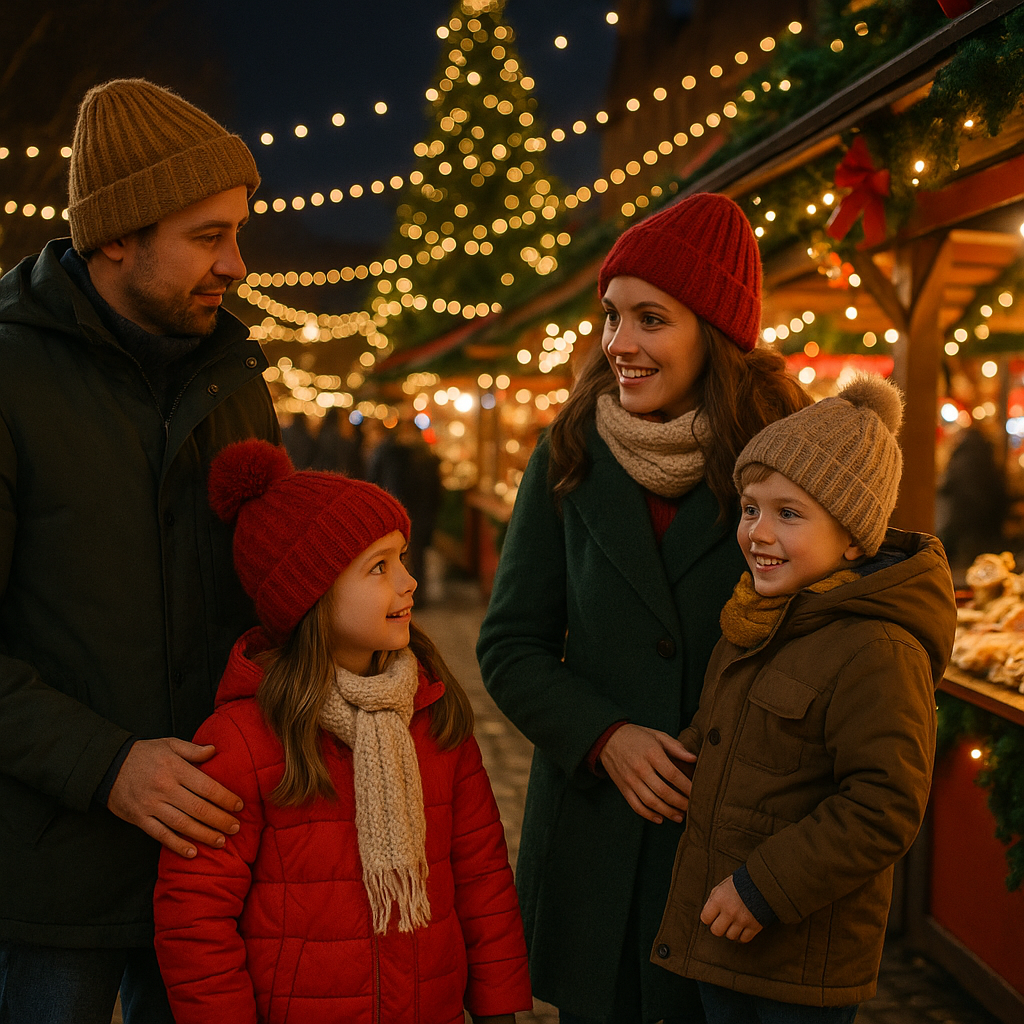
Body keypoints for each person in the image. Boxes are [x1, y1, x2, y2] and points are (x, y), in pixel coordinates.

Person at [476, 192, 810, 1024]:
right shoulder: (569, 455)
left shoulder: (791, 463)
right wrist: (603, 737)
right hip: (596, 846)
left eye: (650, 319)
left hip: (731, 858)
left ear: (714, 330)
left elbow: (833, 639)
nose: (619, 345)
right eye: (611, 317)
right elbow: (510, 645)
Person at [0, 79, 279, 1023]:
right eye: (208, 237)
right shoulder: (8, 377)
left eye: (238, 233)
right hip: (45, 883)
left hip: (216, 864)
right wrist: (106, 765)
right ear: (116, 235)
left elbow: (265, 594)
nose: (237, 265)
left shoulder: (235, 374)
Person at [153, 439, 532, 1024]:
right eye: (379, 567)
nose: (408, 582)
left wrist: (501, 1009)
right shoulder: (244, 740)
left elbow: (483, 881)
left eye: (403, 558)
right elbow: (194, 919)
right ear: (311, 594)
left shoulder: (434, 717)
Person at [651, 376, 957, 1022]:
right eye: (750, 507)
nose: (758, 532)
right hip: (722, 938)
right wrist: (677, 759)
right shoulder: (758, 617)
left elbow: (884, 805)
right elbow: (724, 727)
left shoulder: (878, 648)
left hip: (796, 960)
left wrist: (763, 889)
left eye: (789, 514)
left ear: (852, 537)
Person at [368, 417, 442, 587]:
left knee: (415, 554)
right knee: (399, 554)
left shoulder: (424, 456)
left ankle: (416, 591)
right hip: (397, 510)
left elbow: (434, 488)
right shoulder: (391, 453)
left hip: (417, 511)